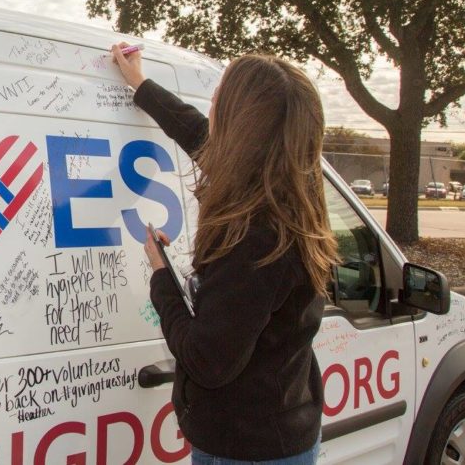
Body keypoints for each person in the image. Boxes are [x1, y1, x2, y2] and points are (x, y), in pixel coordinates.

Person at [111, 43, 338, 465]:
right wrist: (141, 85)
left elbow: (207, 360)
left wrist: (162, 276)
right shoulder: (291, 194)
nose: (211, 104)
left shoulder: (258, 235)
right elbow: (197, 133)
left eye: (219, 98)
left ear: (241, 124)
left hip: (246, 449)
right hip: (281, 432)